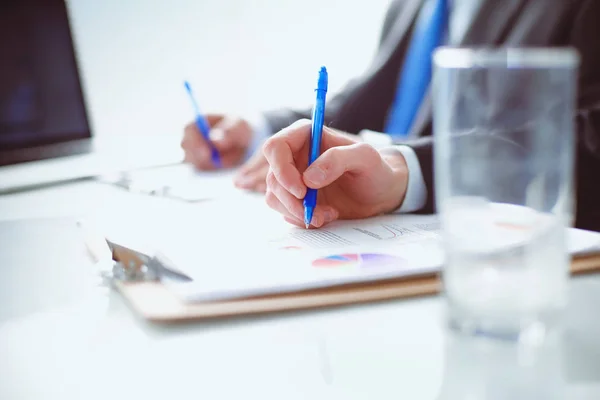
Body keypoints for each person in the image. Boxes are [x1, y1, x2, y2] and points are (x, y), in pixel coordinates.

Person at [182, 0, 600, 231]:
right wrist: (259, 131)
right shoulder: (417, 6)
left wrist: (403, 172)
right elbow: (376, 104)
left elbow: (587, 143)